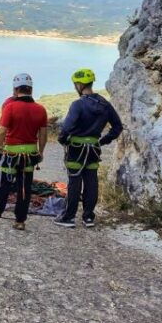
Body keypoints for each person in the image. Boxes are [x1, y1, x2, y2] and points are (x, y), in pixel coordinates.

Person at [0, 73, 48, 230]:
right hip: (30, 155)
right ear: (31, 89)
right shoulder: (40, 110)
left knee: (2, 186)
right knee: (24, 188)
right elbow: (43, 134)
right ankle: (20, 221)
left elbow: (1, 131)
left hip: (11, 154)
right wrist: (40, 152)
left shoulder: (10, 107)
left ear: (16, 90)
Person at [54, 68, 123, 228]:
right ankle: (89, 217)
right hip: (93, 148)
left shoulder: (77, 105)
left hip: (76, 149)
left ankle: (68, 217)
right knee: (91, 181)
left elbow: (66, 128)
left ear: (79, 84)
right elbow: (117, 126)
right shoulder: (105, 105)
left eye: (75, 85)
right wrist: (103, 141)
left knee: (74, 181)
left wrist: (63, 140)